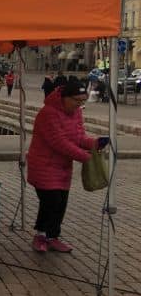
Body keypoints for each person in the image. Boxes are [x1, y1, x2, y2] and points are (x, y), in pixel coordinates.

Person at [27, 77, 108, 253]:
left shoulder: (76, 112)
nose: (79, 105)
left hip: (62, 167)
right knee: (50, 201)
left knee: (61, 202)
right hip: (43, 165)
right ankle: (40, 235)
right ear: (65, 97)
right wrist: (85, 157)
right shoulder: (48, 113)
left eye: (82, 102)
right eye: (76, 101)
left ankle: (53, 236)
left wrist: (94, 143)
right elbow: (59, 142)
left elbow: (78, 137)